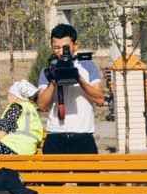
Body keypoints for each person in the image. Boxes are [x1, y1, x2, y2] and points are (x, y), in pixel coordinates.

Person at [34, 23, 105, 154]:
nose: (61, 52)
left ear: (76, 45)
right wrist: (54, 79)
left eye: (65, 47)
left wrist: (79, 78)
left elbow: (100, 99)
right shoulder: (47, 71)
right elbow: (42, 105)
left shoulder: (88, 67)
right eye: (56, 48)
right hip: (55, 136)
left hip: (83, 136)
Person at [0, 78, 44, 156]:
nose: (8, 97)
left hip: (10, 148)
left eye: (9, 94)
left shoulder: (16, 107)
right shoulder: (32, 110)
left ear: (16, 97)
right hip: (28, 152)